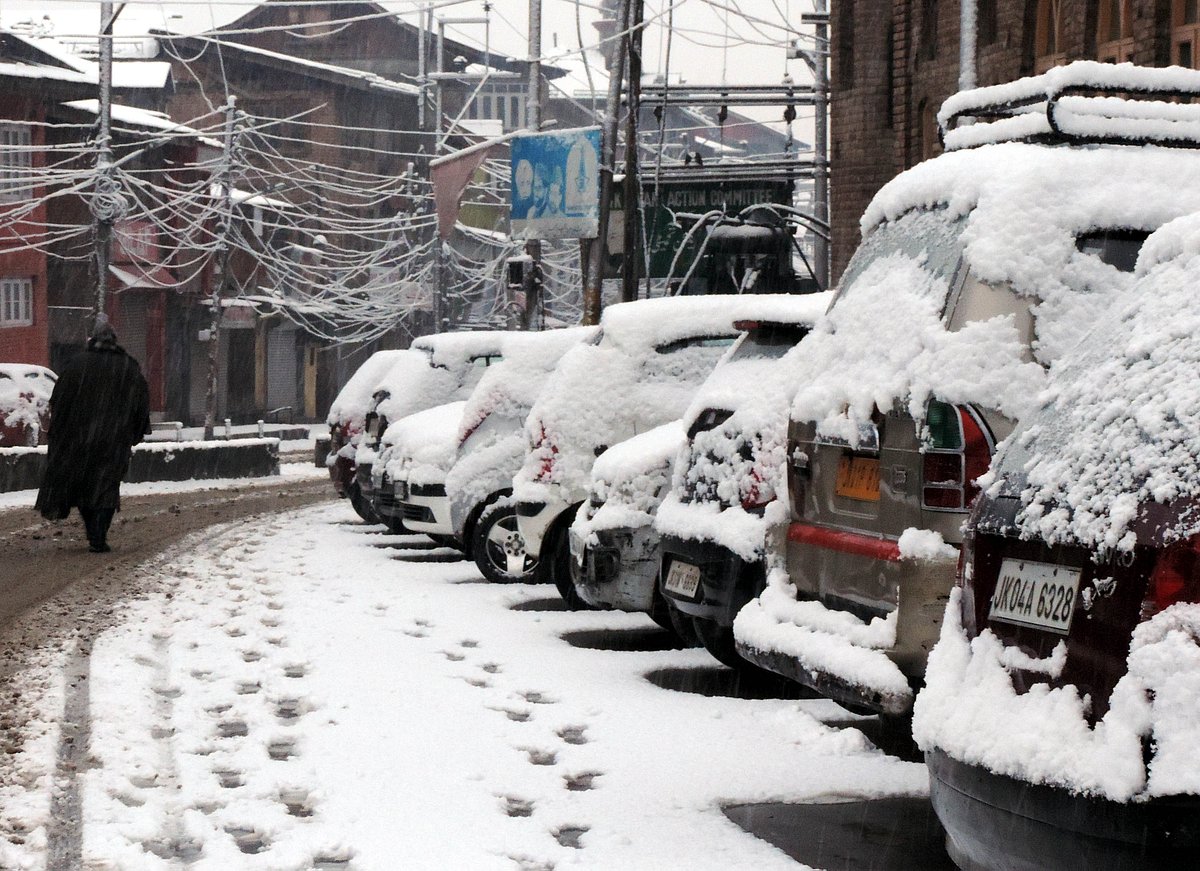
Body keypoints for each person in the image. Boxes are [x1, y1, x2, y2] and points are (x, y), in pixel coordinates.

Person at [36, 316, 150, 553]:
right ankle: (99, 534)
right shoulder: (128, 367)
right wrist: (134, 434)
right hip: (114, 443)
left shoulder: (75, 366)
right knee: (107, 487)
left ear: (92, 339)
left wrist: (60, 437)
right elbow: (141, 406)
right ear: (114, 341)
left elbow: (59, 404)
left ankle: (93, 532)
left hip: (80, 442)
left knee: (85, 487)